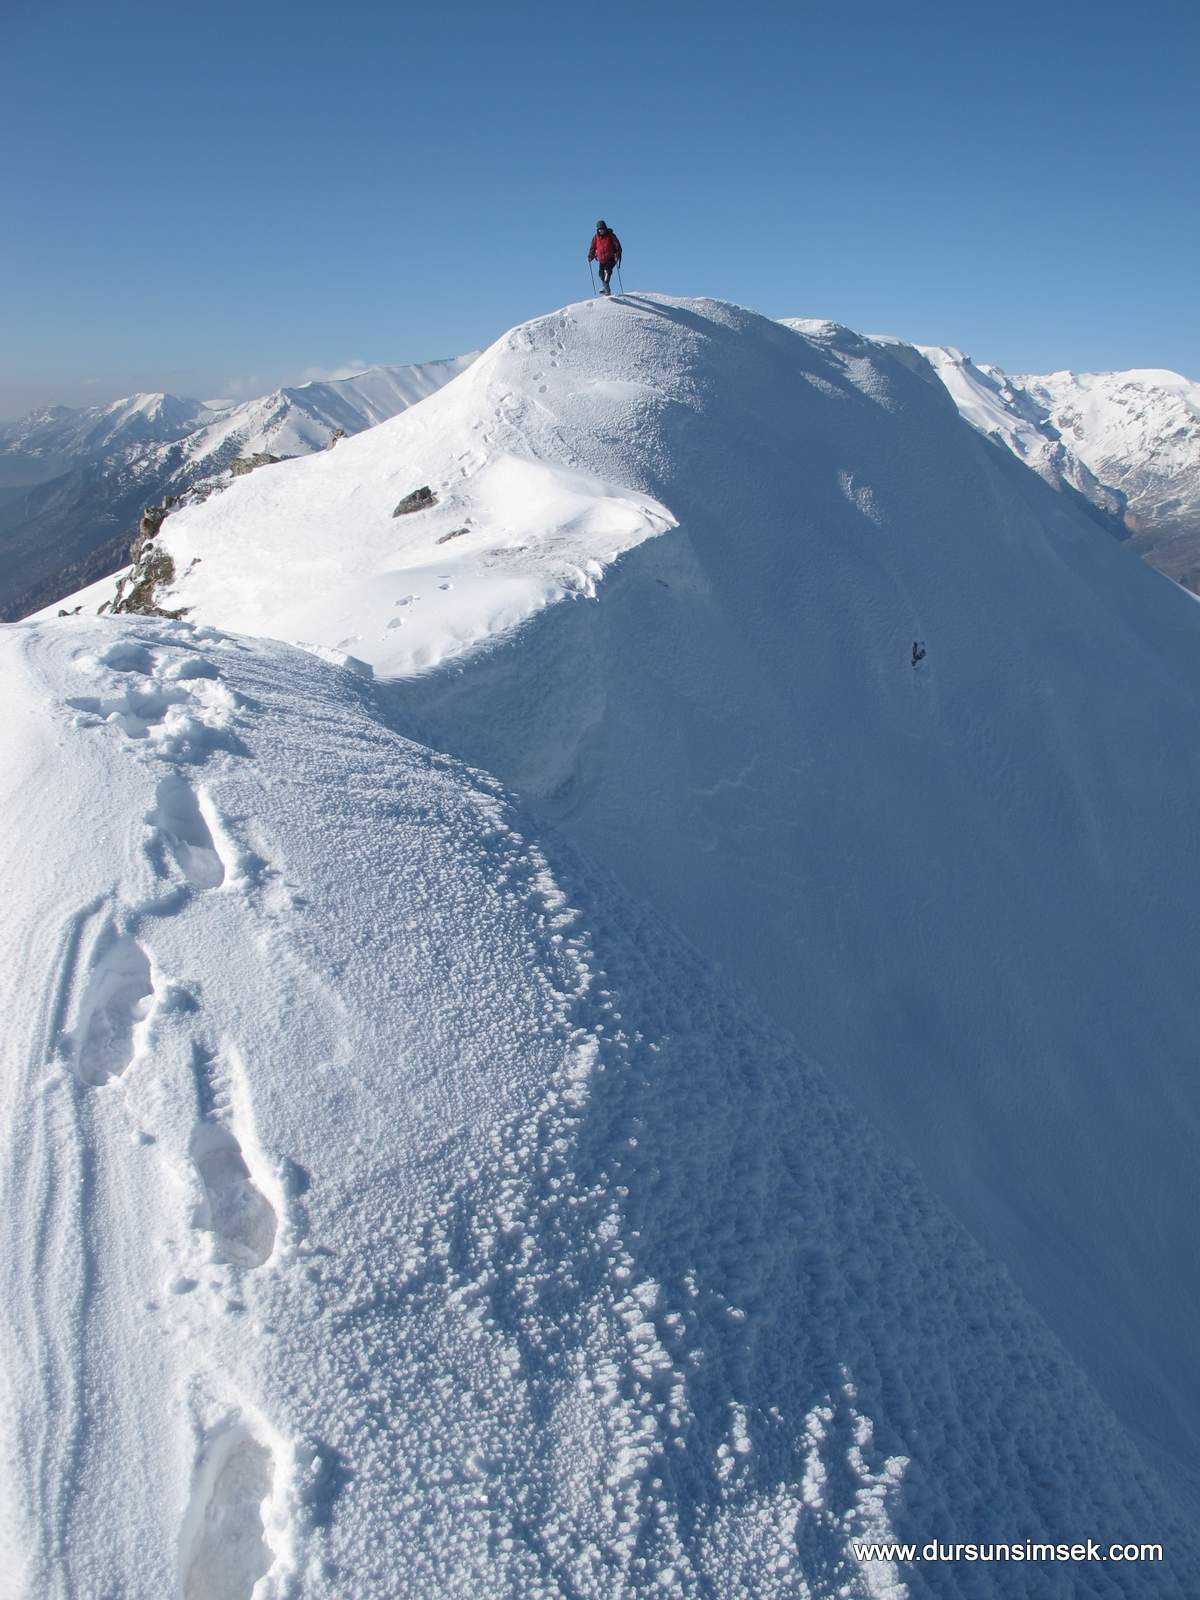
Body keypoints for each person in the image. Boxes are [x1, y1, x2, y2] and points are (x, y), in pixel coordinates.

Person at [588, 220, 622, 295]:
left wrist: (617, 253)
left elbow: (618, 246)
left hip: (611, 257)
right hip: (601, 259)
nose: (601, 230)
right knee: (601, 274)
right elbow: (592, 248)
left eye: (602, 229)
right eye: (599, 229)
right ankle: (606, 288)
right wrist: (590, 256)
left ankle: (605, 287)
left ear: (605, 228)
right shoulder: (596, 238)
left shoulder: (611, 236)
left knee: (607, 270)